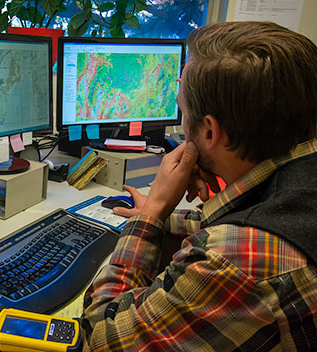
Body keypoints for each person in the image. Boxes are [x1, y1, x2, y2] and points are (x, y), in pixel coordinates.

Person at [82, 21, 317, 351]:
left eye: (182, 108)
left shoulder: (230, 262)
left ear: (209, 132)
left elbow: (104, 338)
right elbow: (268, 216)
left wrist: (148, 216)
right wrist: (164, 216)